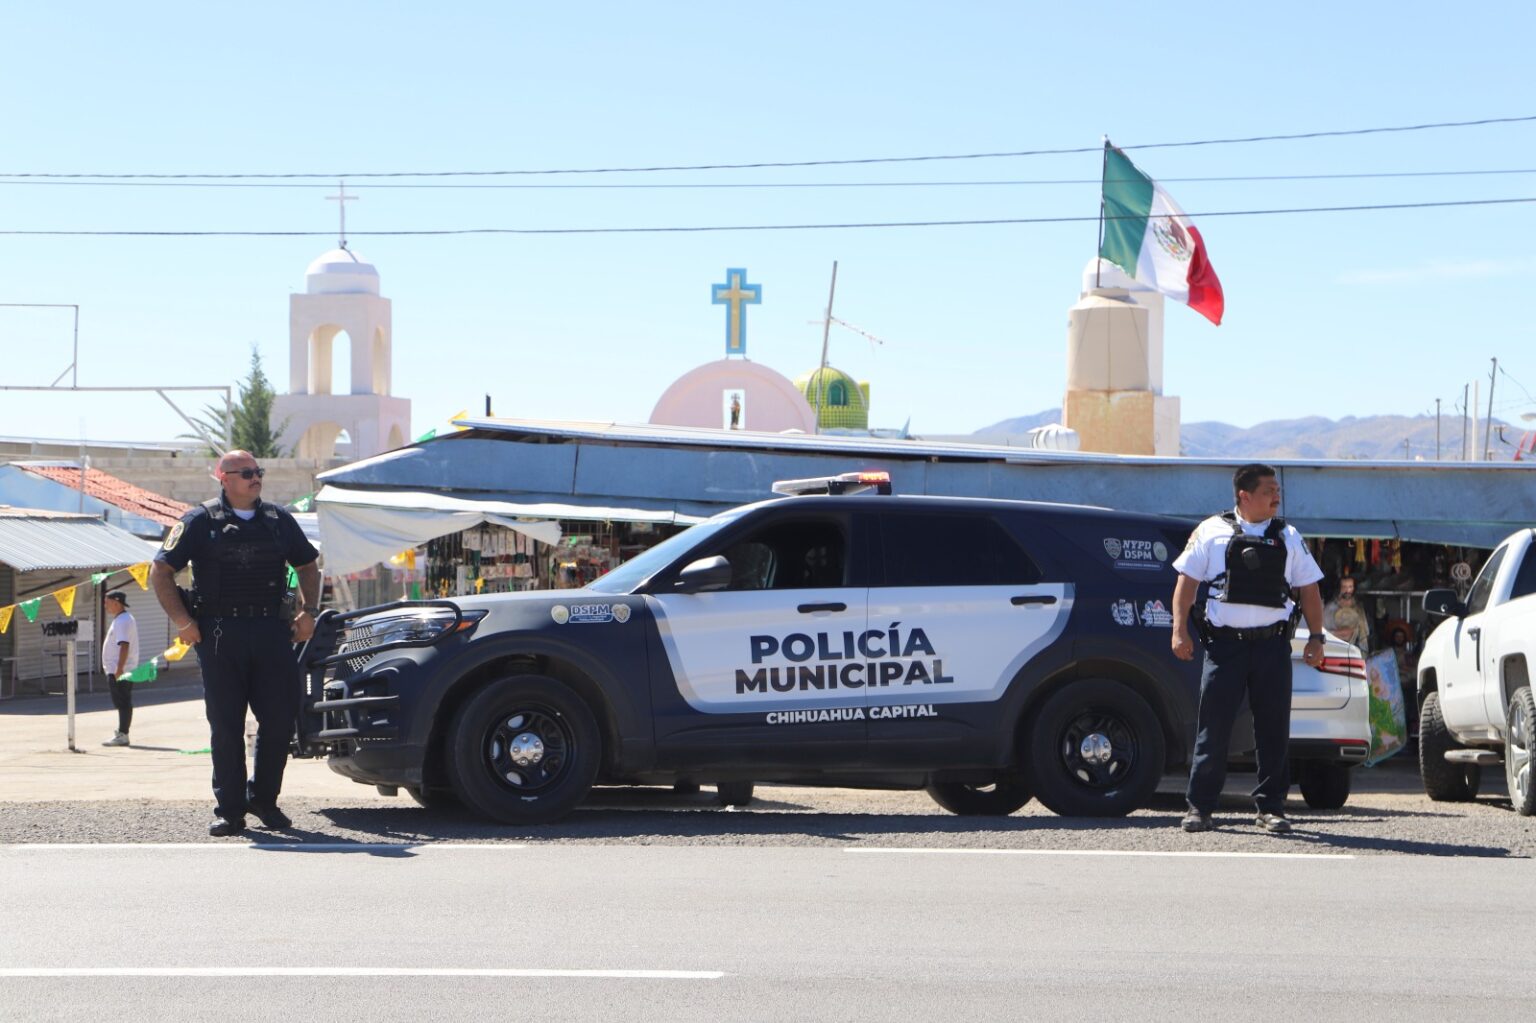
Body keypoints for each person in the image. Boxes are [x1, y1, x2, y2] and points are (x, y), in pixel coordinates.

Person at [151, 450, 321, 837]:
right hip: (219, 634)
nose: (254, 478)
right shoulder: (199, 521)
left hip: (272, 633)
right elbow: (160, 570)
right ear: (222, 477)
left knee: (279, 720)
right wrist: (183, 621)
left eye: (258, 471)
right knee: (226, 724)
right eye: (246, 473)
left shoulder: (278, 520)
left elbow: (307, 564)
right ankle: (230, 809)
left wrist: (309, 610)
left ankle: (264, 799)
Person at [1170, 463, 1325, 835]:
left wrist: (1317, 637)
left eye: (1278, 490)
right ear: (1244, 495)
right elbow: (1186, 584)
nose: (1277, 496)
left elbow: (1309, 589)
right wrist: (1179, 631)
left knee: (1273, 730)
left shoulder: (1288, 535)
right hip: (1226, 648)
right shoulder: (1211, 531)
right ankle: (1200, 808)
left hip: (1272, 647)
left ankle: (1271, 809)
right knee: (1214, 727)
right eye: (1269, 490)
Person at [100, 590, 140, 747]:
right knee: (121, 701)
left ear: (116, 603)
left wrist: (119, 669)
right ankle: (122, 731)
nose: (105, 606)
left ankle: (123, 734)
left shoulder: (123, 621)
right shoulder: (122, 619)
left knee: (123, 701)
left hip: (121, 670)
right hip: (120, 668)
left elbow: (124, 646)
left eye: (107, 602)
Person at [1323, 575, 1371, 651]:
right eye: (1344, 587)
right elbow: (1324, 633)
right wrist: (1341, 633)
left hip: (1356, 651)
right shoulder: (1330, 608)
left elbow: (1364, 634)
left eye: (1350, 587)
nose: (1347, 590)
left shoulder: (1358, 607)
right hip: (1336, 648)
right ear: (1339, 588)